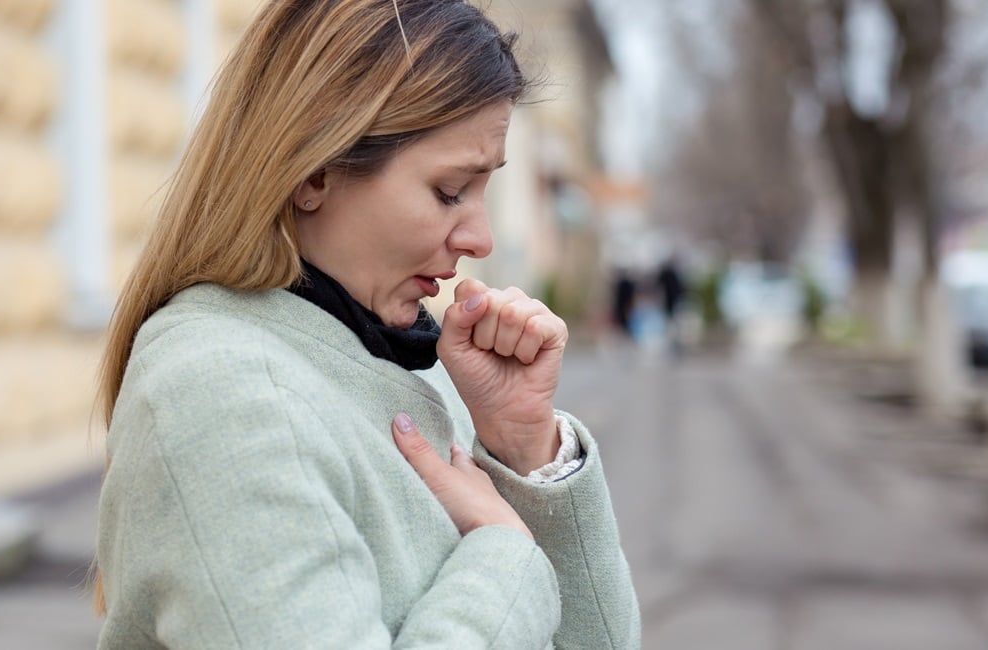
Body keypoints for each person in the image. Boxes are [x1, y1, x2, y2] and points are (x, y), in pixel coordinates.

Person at [92, 1, 640, 647]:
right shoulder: (220, 395)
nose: (481, 238)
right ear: (314, 171)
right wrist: (505, 555)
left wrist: (526, 450)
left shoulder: (409, 368)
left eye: (482, 190)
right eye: (448, 191)